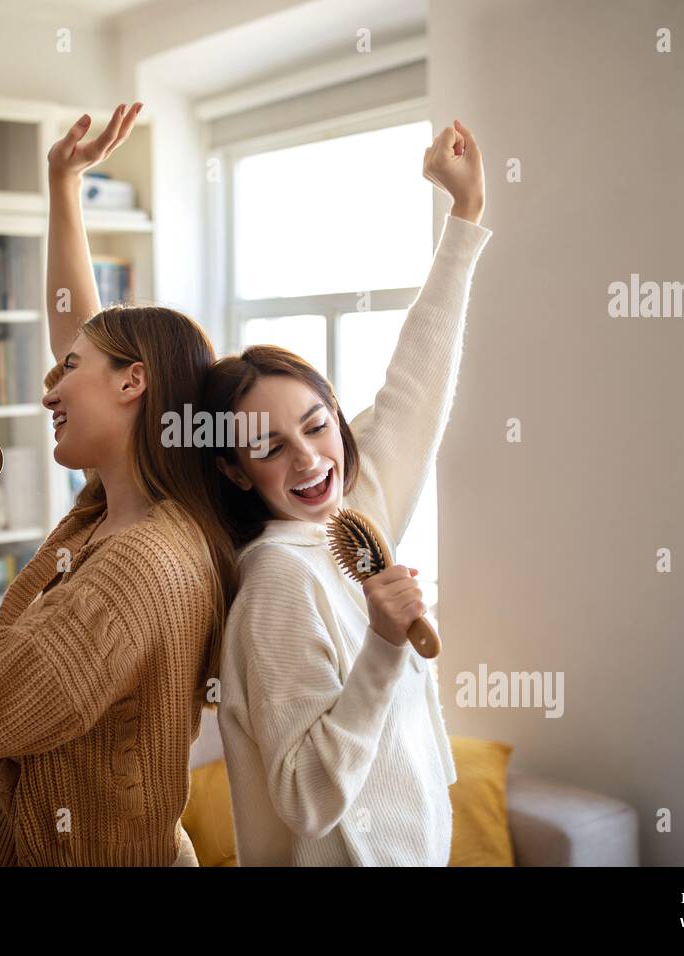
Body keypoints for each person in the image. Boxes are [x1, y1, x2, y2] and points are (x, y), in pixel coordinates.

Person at [0, 102, 232, 866]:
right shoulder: (117, 514)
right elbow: (82, 328)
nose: (48, 391)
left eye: (68, 372)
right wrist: (63, 183)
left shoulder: (141, 566)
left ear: (134, 382)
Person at [205, 119, 492, 865]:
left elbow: (417, 381)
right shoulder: (275, 583)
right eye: (269, 448)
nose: (308, 460)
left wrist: (464, 217)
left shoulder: (357, 508)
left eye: (317, 424)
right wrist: (383, 644)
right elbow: (304, 797)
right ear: (236, 470)